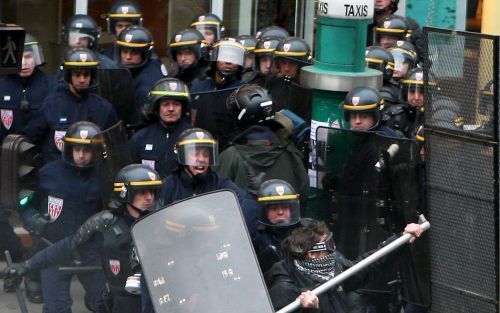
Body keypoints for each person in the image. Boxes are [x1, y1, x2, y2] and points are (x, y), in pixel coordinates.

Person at [4, 164, 163, 313]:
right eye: (142, 192)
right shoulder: (105, 224)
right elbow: (66, 247)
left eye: (152, 192)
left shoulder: (161, 224)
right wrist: (26, 265)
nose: (149, 198)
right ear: (124, 193)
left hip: (156, 298)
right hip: (120, 302)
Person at [140, 127, 262, 313]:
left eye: (205, 154)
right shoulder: (168, 186)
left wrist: (223, 223)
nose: (201, 159)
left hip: (212, 259)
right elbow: (150, 225)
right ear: (182, 155)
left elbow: (249, 206)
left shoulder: (220, 184)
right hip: (176, 261)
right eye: (195, 153)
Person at [20, 121, 108, 313]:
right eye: (77, 149)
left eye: (87, 150)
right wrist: (33, 218)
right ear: (68, 148)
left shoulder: (105, 176)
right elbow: (25, 203)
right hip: (53, 250)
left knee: (106, 304)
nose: (82, 155)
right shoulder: (48, 173)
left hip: (91, 252)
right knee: (56, 309)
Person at [0, 33, 57, 302]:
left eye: (29, 55)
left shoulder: (51, 86)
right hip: (3, 165)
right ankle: (15, 261)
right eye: (19, 55)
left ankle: (33, 274)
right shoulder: (1, 85)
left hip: (37, 165)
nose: (24, 61)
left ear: (38, 57)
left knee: (36, 219)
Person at [266, 220, 424, 313]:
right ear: (312, 254)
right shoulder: (284, 289)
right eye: (329, 244)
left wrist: (400, 240)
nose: (334, 249)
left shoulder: (332, 269)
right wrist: (310, 310)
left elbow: (366, 267)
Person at [216, 84, 309, 206]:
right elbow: (303, 193)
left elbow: (216, 198)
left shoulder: (230, 156)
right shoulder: (290, 153)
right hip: (285, 221)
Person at [22, 48, 118, 164]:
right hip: (57, 173)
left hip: (92, 173)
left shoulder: (104, 108)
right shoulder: (51, 105)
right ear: (68, 75)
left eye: (86, 75)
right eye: (77, 74)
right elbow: (31, 137)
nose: (82, 80)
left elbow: (115, 145)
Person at [129, 77, 193, 178]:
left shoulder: (192, 137)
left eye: (176, 104)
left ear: (183, 108)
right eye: (165, 104)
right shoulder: (140, 138)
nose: (171, 109)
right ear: (157, 107)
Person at [191, 39, 246, 148]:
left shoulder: (244, 90)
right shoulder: (199, 87)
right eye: (224, 56)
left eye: (234, 58)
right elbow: (192, 122)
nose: (228, 61)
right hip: (200, 149)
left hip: (230, 152)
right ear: (215, 59)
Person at [253, 179, 308, 275]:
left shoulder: (306, 231)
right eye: (274, 208)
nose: (280, 212)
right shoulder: (256, 236)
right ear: (265, 212)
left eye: (285, 207)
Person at [116, 25, 168, 114]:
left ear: (145, 54)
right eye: (125, 52)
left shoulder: (148, 82)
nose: (128, 57)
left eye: (134, 53)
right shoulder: (139, 69)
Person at [266, 36, 313, 122]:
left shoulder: (309, 91)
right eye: (283, 63)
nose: (287, 68)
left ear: (302, 65)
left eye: (292, 63)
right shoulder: (272, 85)